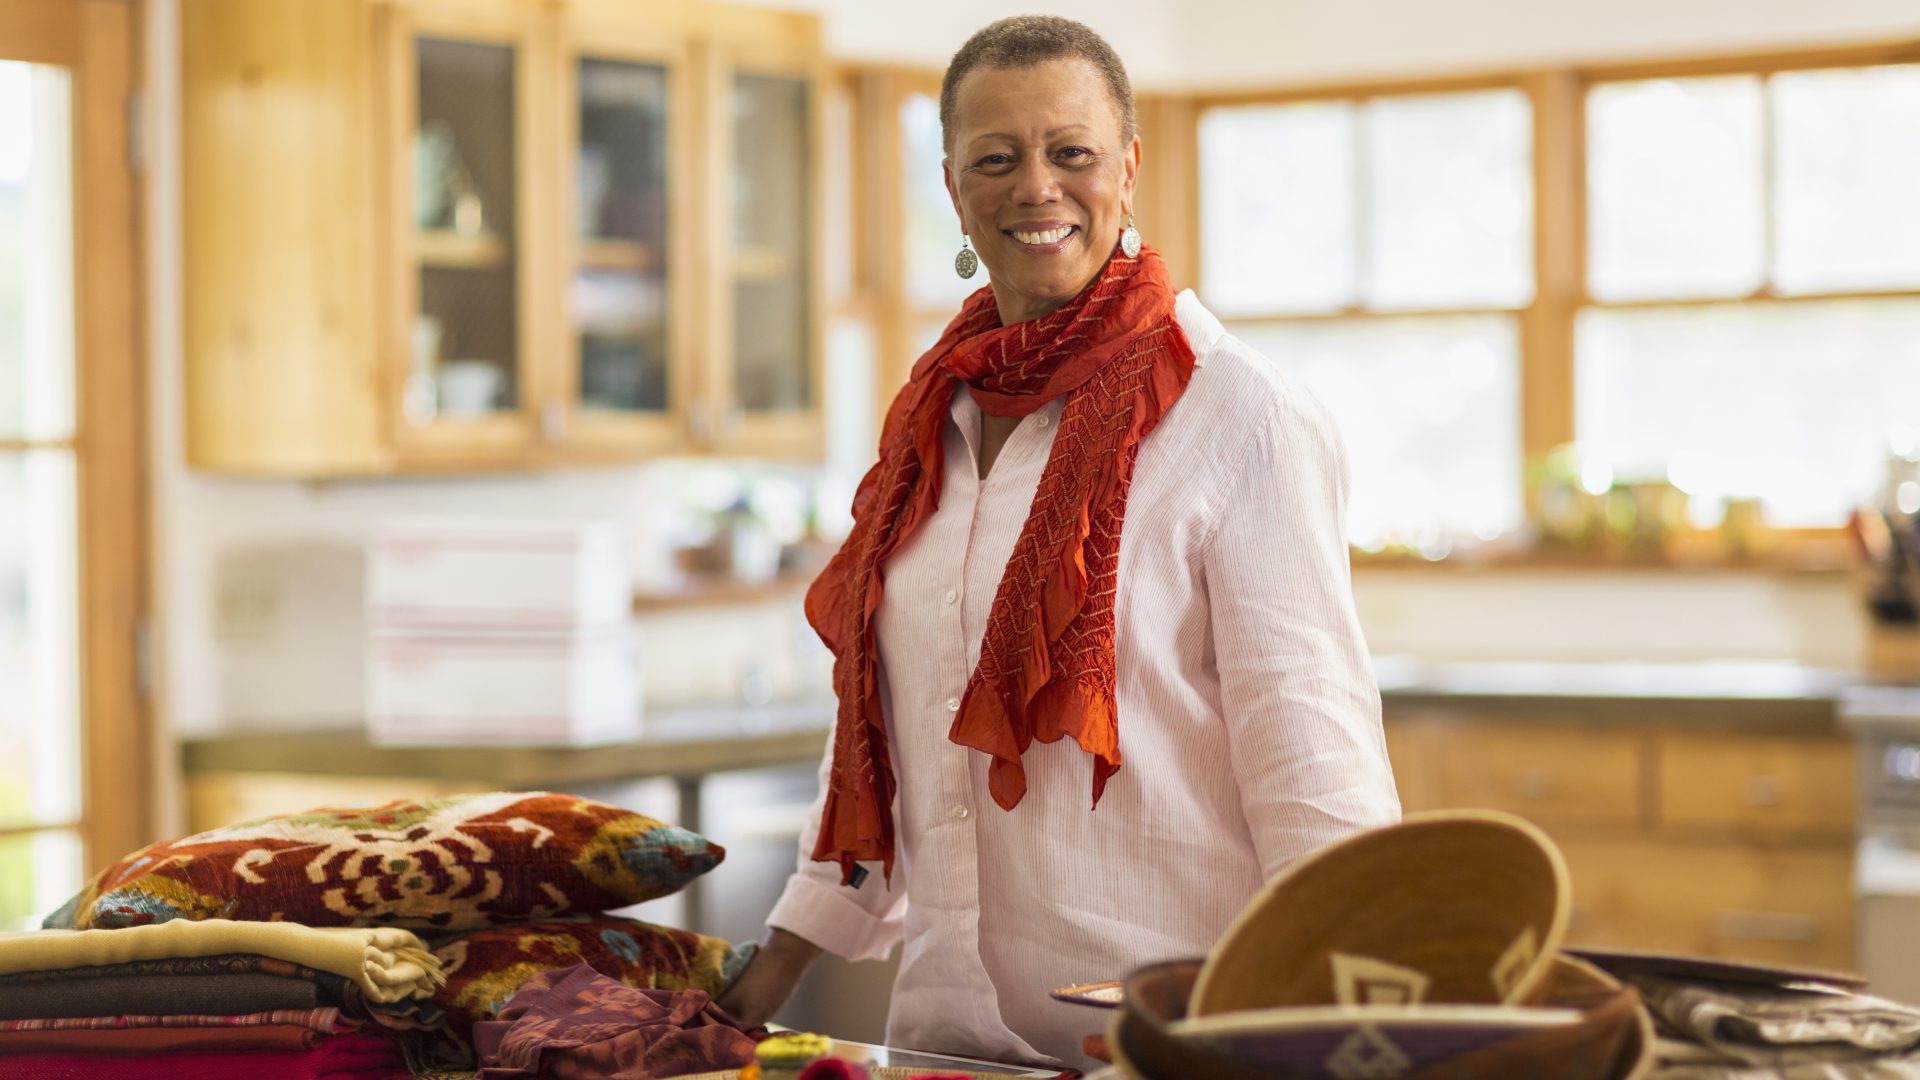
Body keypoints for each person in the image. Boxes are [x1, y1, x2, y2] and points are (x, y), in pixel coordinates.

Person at [718, 15, 1400, 1071]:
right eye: (996, 160)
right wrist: (751, 990)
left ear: (1128, 168)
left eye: (1071, 152)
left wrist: (1348, 1042)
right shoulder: (930, 419)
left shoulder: (1243, 417)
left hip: (1170, 1044)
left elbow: (1318, 781)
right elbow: (888, 735)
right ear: (954, 189)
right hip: (949, 1041)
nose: (1037, 187)